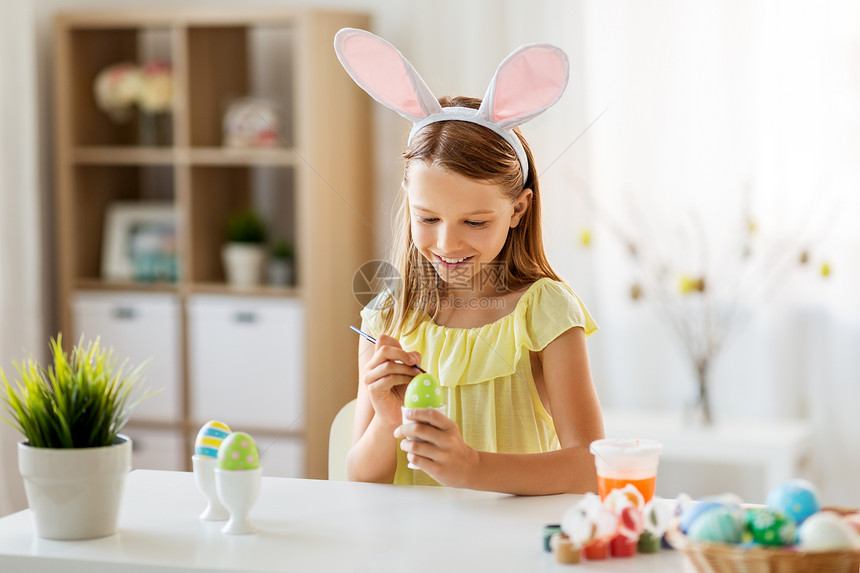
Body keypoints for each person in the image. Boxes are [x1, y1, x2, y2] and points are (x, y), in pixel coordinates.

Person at [335, 28, 604, 495]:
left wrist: (472, 468)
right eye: (429, 217)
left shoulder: (545, 310)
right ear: (408, 201)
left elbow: (590, 465)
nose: (447, 243)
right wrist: (387, 417)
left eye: (475, 222)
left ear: (517, 209)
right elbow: (359, 477)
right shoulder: (387, 316)